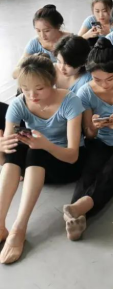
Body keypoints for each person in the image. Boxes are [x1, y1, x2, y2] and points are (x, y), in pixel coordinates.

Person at [0, 55, 84, 264]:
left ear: (52, 81)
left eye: (39, 88)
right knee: (16, 145)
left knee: (36, 149)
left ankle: (19, 228)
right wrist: (2, 146)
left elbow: (73, 155)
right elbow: (8, 150)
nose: (32, 95)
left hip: (64, 164)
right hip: (32, 169)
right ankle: (0, 224)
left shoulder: (70, 101)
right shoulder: (19, 103)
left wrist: (46, 145)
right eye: (25, 89)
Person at [61, 38, 113, 241]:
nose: (104, 84)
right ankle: (75, 215)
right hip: (101, 141)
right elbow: (89, 134)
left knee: (112, 171)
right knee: (89, 172)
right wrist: (94, 127)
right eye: (97, 79)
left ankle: (82, 209)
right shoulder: (85, 92)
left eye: (110, 78)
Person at [13, 5, 69, 78]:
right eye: (38, 31)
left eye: (47, 31)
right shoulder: (35, 43)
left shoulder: (70, 40)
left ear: (58, 27)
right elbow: (15, 73)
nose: (42, 35)